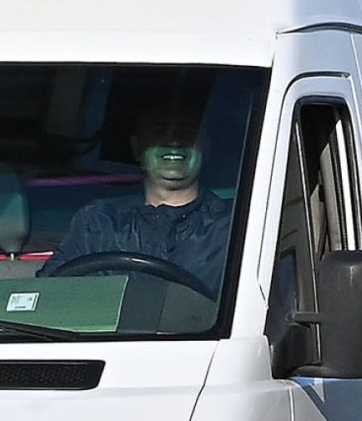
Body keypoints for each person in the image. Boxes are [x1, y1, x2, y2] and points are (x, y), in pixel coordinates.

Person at [42, 106, 234, 291]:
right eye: (160, 131)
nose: (173, 142)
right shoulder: (98, 220)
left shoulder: (234, 227)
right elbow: (47, 292)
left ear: (206, 147)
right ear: (136, 148)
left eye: (187, 132)